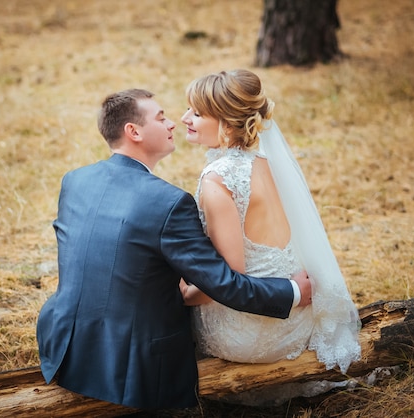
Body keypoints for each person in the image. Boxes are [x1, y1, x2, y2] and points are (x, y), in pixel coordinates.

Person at [36, 88, 313, 411]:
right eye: (161, 117)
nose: (173, 124)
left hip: (64, 340)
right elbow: (224, 283)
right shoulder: (168, 203)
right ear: (134, 131)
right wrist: (293, 292)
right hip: (132, 361)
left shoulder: (76, 180)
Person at [179, 70, 361, 387]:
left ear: (225, 122)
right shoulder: (265, 159)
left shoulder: (218, 178)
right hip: (297, 321)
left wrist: (183, 297)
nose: (184, 118)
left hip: (251, 332)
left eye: (196, 113)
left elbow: (228, 277)